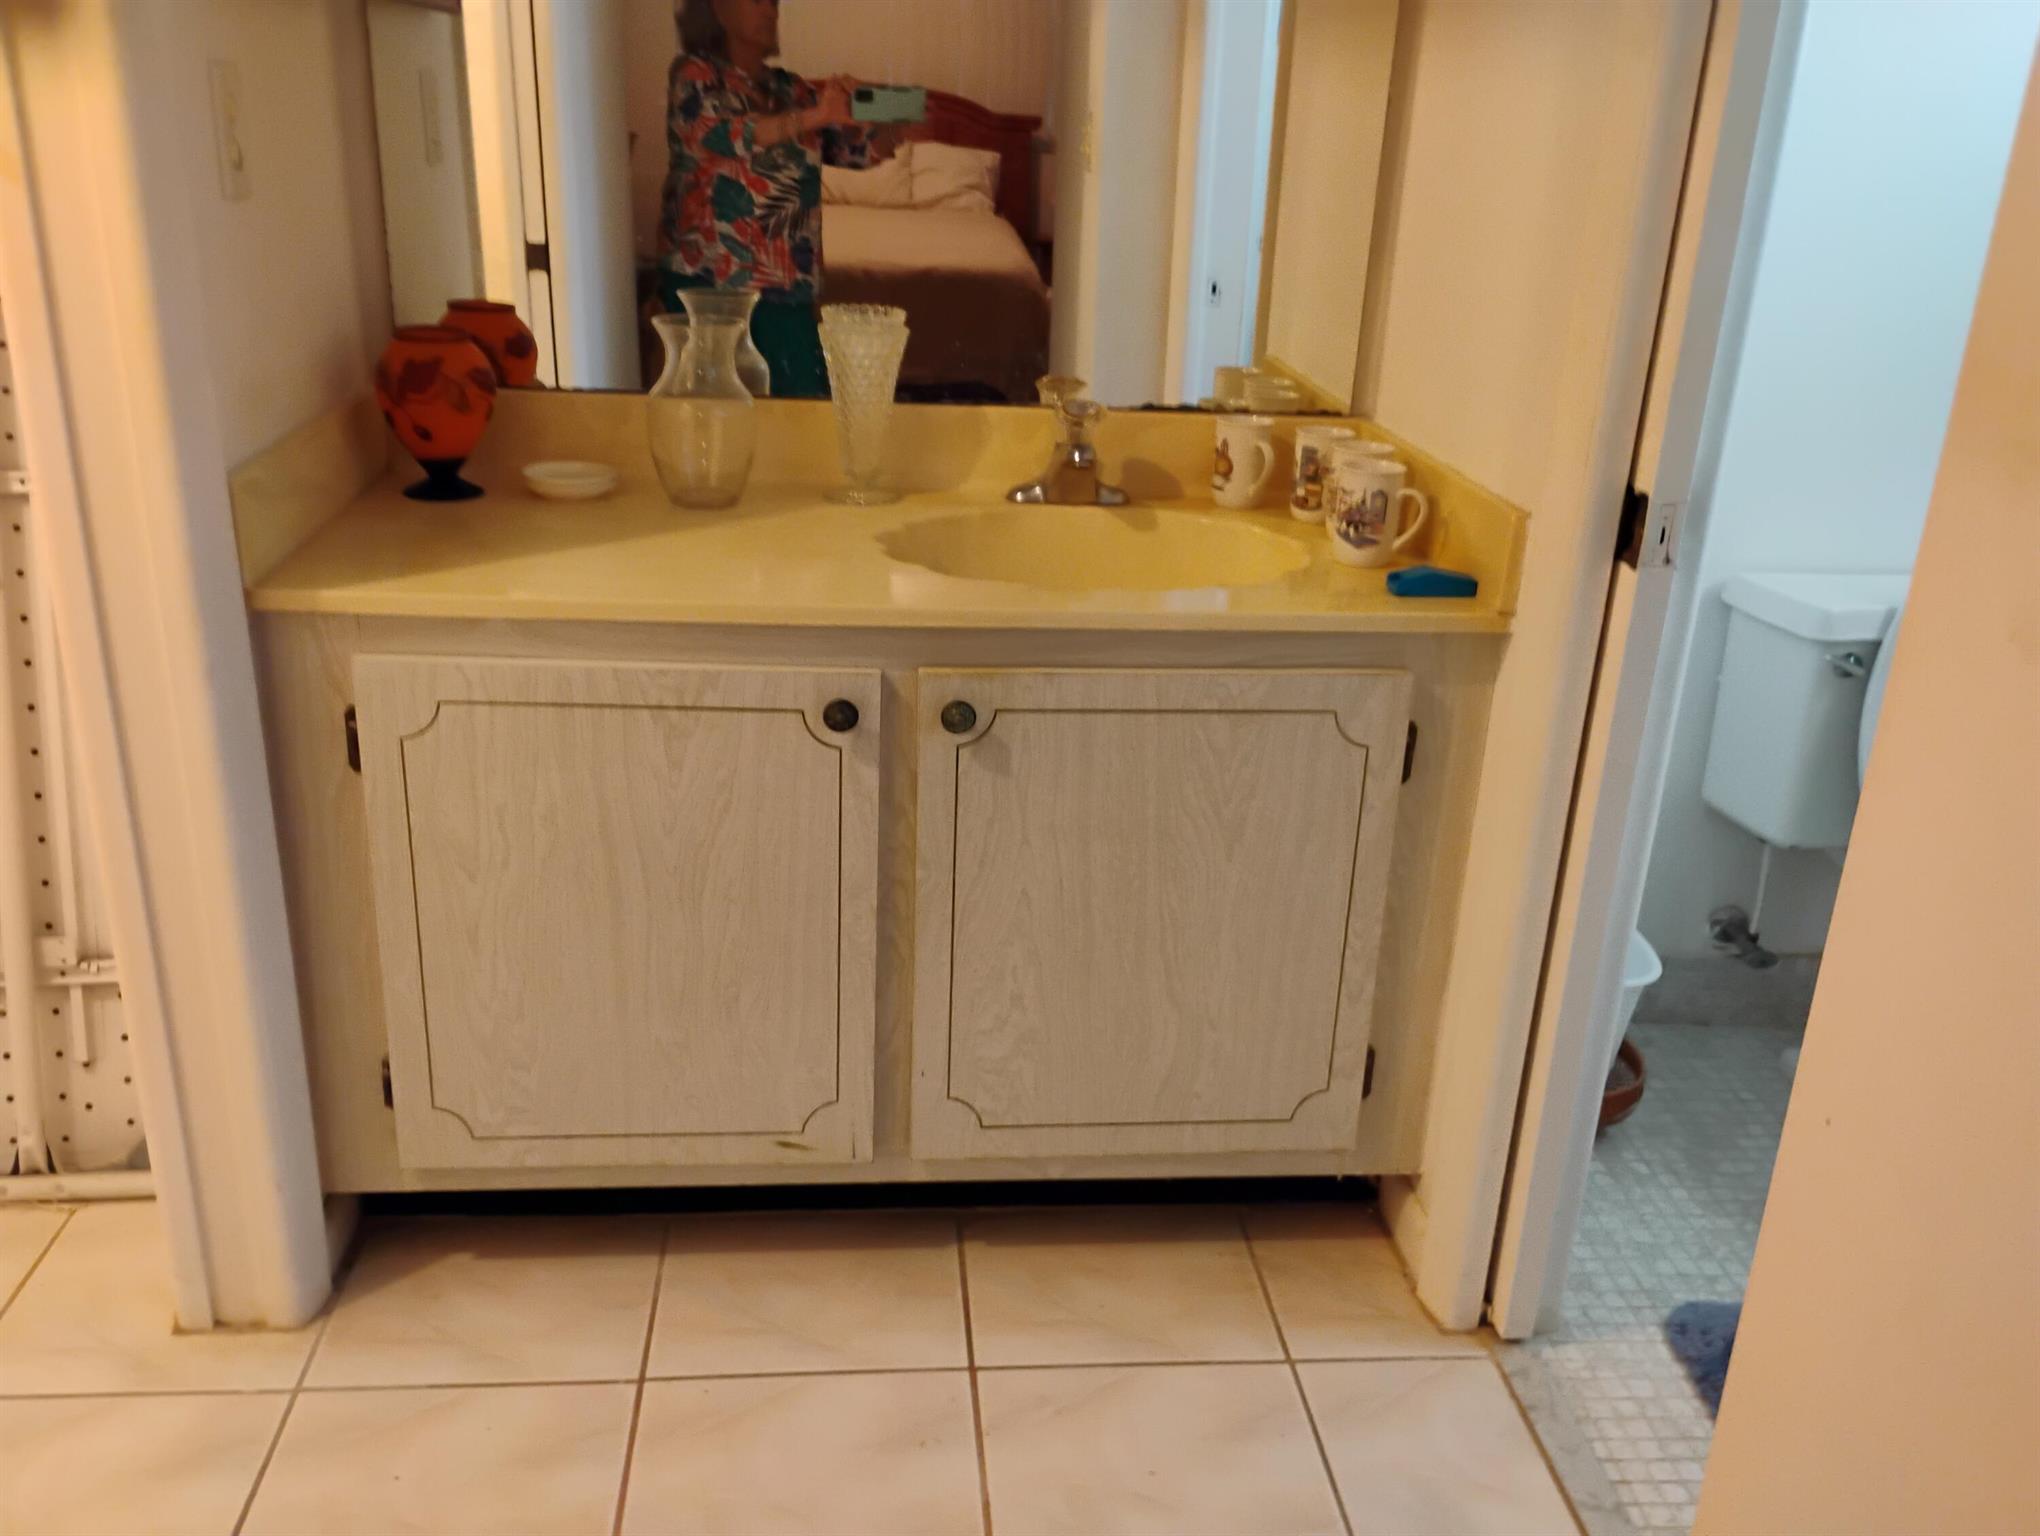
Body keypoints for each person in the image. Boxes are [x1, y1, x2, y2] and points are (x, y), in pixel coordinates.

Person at [658, 0, 893, 395]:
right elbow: (723, 135)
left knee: (798, 407)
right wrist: (817, 115)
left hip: (787, 283)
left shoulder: (791, 89)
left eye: (774, 2)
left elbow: (858, 153)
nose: (771, 11)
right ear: (719, 9)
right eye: (757, 0)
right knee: (717, 409)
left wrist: (883, 108)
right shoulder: (695, 75)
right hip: (711, 284)